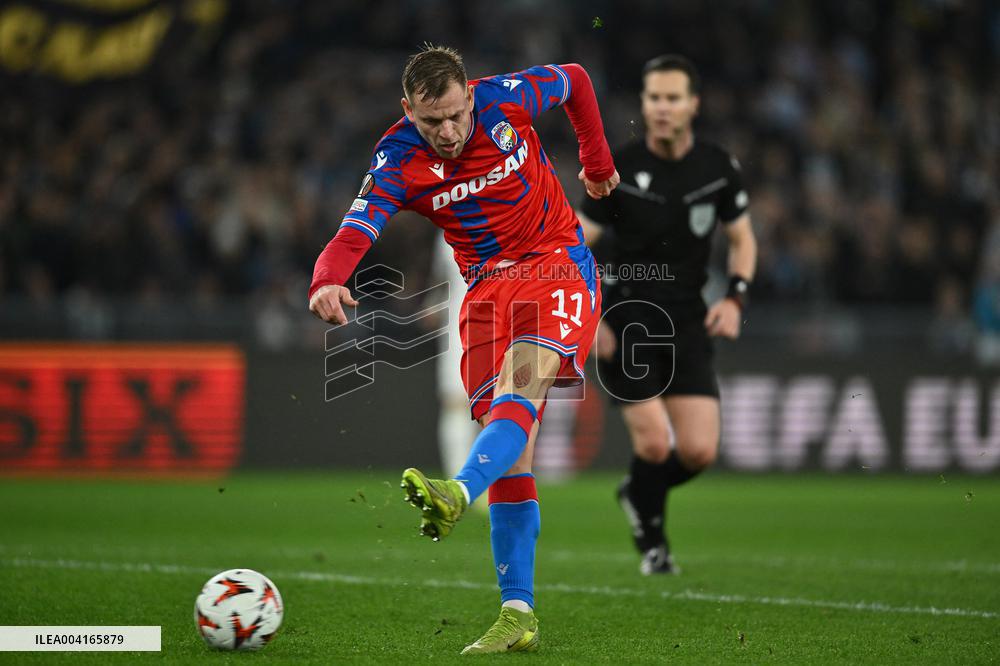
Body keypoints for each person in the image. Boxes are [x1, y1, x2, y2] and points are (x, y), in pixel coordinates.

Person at [309, 45, 618, 653]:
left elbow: (577, 80)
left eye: (455, 115)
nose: (448, 132)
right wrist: (327, 275)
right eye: (432, 122)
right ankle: (518, 613)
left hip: (556, 265)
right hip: (483, 293)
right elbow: (357, 226)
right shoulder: (397, 156)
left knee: (520, 391)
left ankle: (456, 491)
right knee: (514, 453)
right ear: (408, 111)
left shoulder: (508, 97)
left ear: (470, 95)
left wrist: (597, 162)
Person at [578, 55, 757, 575]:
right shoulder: (614, 170)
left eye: (672, 97)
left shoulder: (717, 168)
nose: (662, 107)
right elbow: (575, 245)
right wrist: (590, 316)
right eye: (653, 97)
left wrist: (735, 297)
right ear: (644, 103)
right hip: (624, 319)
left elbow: (743, 240)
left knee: (698, 451)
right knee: (655, 443)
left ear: (692, 105)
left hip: (687, 318)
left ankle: (637, 494)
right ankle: (653, 543)